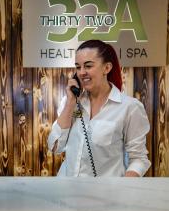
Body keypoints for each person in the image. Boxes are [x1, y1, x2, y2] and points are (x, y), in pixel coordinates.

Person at [47, 40, 151, 177]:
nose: (82, 72)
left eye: (88, 66)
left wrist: (124, 189)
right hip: (66, 191)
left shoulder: (130, 107)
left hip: (105, 194)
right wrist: (70, 103)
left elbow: (139, 159)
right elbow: (55, 147)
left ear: (106, 68)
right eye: (78, 67)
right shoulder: (70, 102)